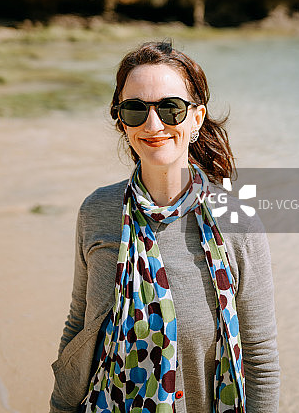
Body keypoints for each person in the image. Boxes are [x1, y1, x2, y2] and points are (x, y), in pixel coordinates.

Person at [50, 40, 280, 413]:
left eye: (171, 108)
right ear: (122, 121)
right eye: (135, 109)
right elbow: (79, 327)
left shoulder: (239, 225)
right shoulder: (97, 211)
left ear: (196, 118)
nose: (153, 124)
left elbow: (261, 361)